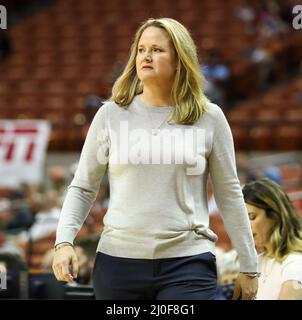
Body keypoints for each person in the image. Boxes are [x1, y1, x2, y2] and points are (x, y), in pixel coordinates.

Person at [52, 17, 258, 300]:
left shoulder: (210, 118)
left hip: (188, 260)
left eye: (157, 50)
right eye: (141, 49)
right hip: (118, 262)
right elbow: (83, 187)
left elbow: (230, 194)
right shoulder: (110, 115)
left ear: (179, 59)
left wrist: (249, 266)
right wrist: (63, 241)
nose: (146, 56)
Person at [243, 178, 302, 300]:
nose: (245, 226)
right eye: (242, 219)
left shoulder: (295, 263)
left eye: (252, 217)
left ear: (275, 216)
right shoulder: (256, 262)